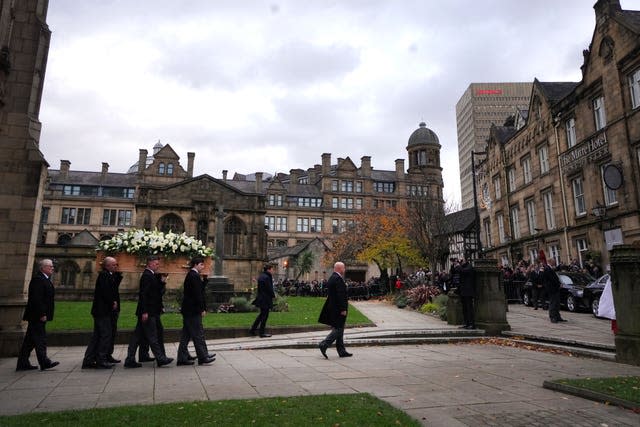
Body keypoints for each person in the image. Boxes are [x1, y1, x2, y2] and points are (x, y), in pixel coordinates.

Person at [124, 256, 173, 368]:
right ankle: (160, 358)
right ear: (149, 263)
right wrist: (144, 311)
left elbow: (156, 293)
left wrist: (162, 281)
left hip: (152, 310)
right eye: (156, 264)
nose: (158, 265)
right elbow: (144, 295)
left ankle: (130, 359)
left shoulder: (151, 275)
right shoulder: (147, 276)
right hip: (148, 312)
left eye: (158, 264)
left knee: (137, 336)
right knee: (153, 335)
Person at [16, 259, 59, 371]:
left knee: (29, 342)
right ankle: (44, 362)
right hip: (37, 316)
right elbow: (36, 299)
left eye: (52, 266)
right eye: (50, 266)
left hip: (37, 316)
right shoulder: (38, 280)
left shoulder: (44, 279)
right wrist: (42, 314)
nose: (52, 268)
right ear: (43, 268)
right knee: (40, 340)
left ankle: (22, 363)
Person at [82, 256, 122, 369]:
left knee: (98, 335)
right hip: (102, 311)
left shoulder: (109, 275)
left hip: (105, 311)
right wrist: (112, 302)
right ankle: (101, 359)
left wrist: (118, 274)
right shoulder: (104, 275)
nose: (116, 266)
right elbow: (106, 292)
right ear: (107, 266)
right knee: (105, 335)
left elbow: (114, 286)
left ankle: (90, 359)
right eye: (114, 265)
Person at [177, 257, 215, 366]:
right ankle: (203, 357)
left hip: (189, 310)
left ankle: (182, 357)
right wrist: (202, 309)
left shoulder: (193, 275)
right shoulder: (193, 276)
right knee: (198, 334)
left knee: (186, 335)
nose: (203, 267)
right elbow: (198, 295)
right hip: (192, 310)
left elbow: (199, 290)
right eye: (201, 265)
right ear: (195, 265)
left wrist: (205, 280)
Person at [318, 262, 352, 358]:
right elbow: (340, 295)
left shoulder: (333, 277)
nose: (344, 270)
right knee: (338, 328)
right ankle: (324, 344)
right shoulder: (337, 279)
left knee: (340, 329)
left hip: (334, 308)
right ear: (340, 268)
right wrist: (343, 309)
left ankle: (341, 350)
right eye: (344, 268)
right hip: (338, 309)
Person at [250, 263, 276, 338]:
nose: (273, 271)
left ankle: (253, 329)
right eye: (272, 269)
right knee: (264, 316)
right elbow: (269, 288)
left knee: (261, 315)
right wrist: (273, 296)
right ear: (268, 269)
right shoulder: (267, 277)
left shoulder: (262, 276)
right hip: (266, 299)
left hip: (261, 298)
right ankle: (261, 332)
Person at [541, 253, 566, 323]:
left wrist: (559, 284)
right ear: (550, 262)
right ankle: (552, 317)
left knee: (557, 303)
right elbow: (551, 279)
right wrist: (558, 284)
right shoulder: (547, 269)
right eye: (553, 261)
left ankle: (557, 316)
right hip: (552, 289)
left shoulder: (550, 268)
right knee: (553, 303)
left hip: (555, 288)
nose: (554, 262)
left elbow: (555, 278)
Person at [457, 259, 476, 329]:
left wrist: (459, 266)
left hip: (468, 291)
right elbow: (456, 271)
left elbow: (464, 271)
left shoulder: (469, 267)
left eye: (462, 261)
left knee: (469, 308)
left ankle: (471, 324)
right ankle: (466, 323)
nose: (461, 262)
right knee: (464, 309)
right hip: (463, 291)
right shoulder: (463, 267)